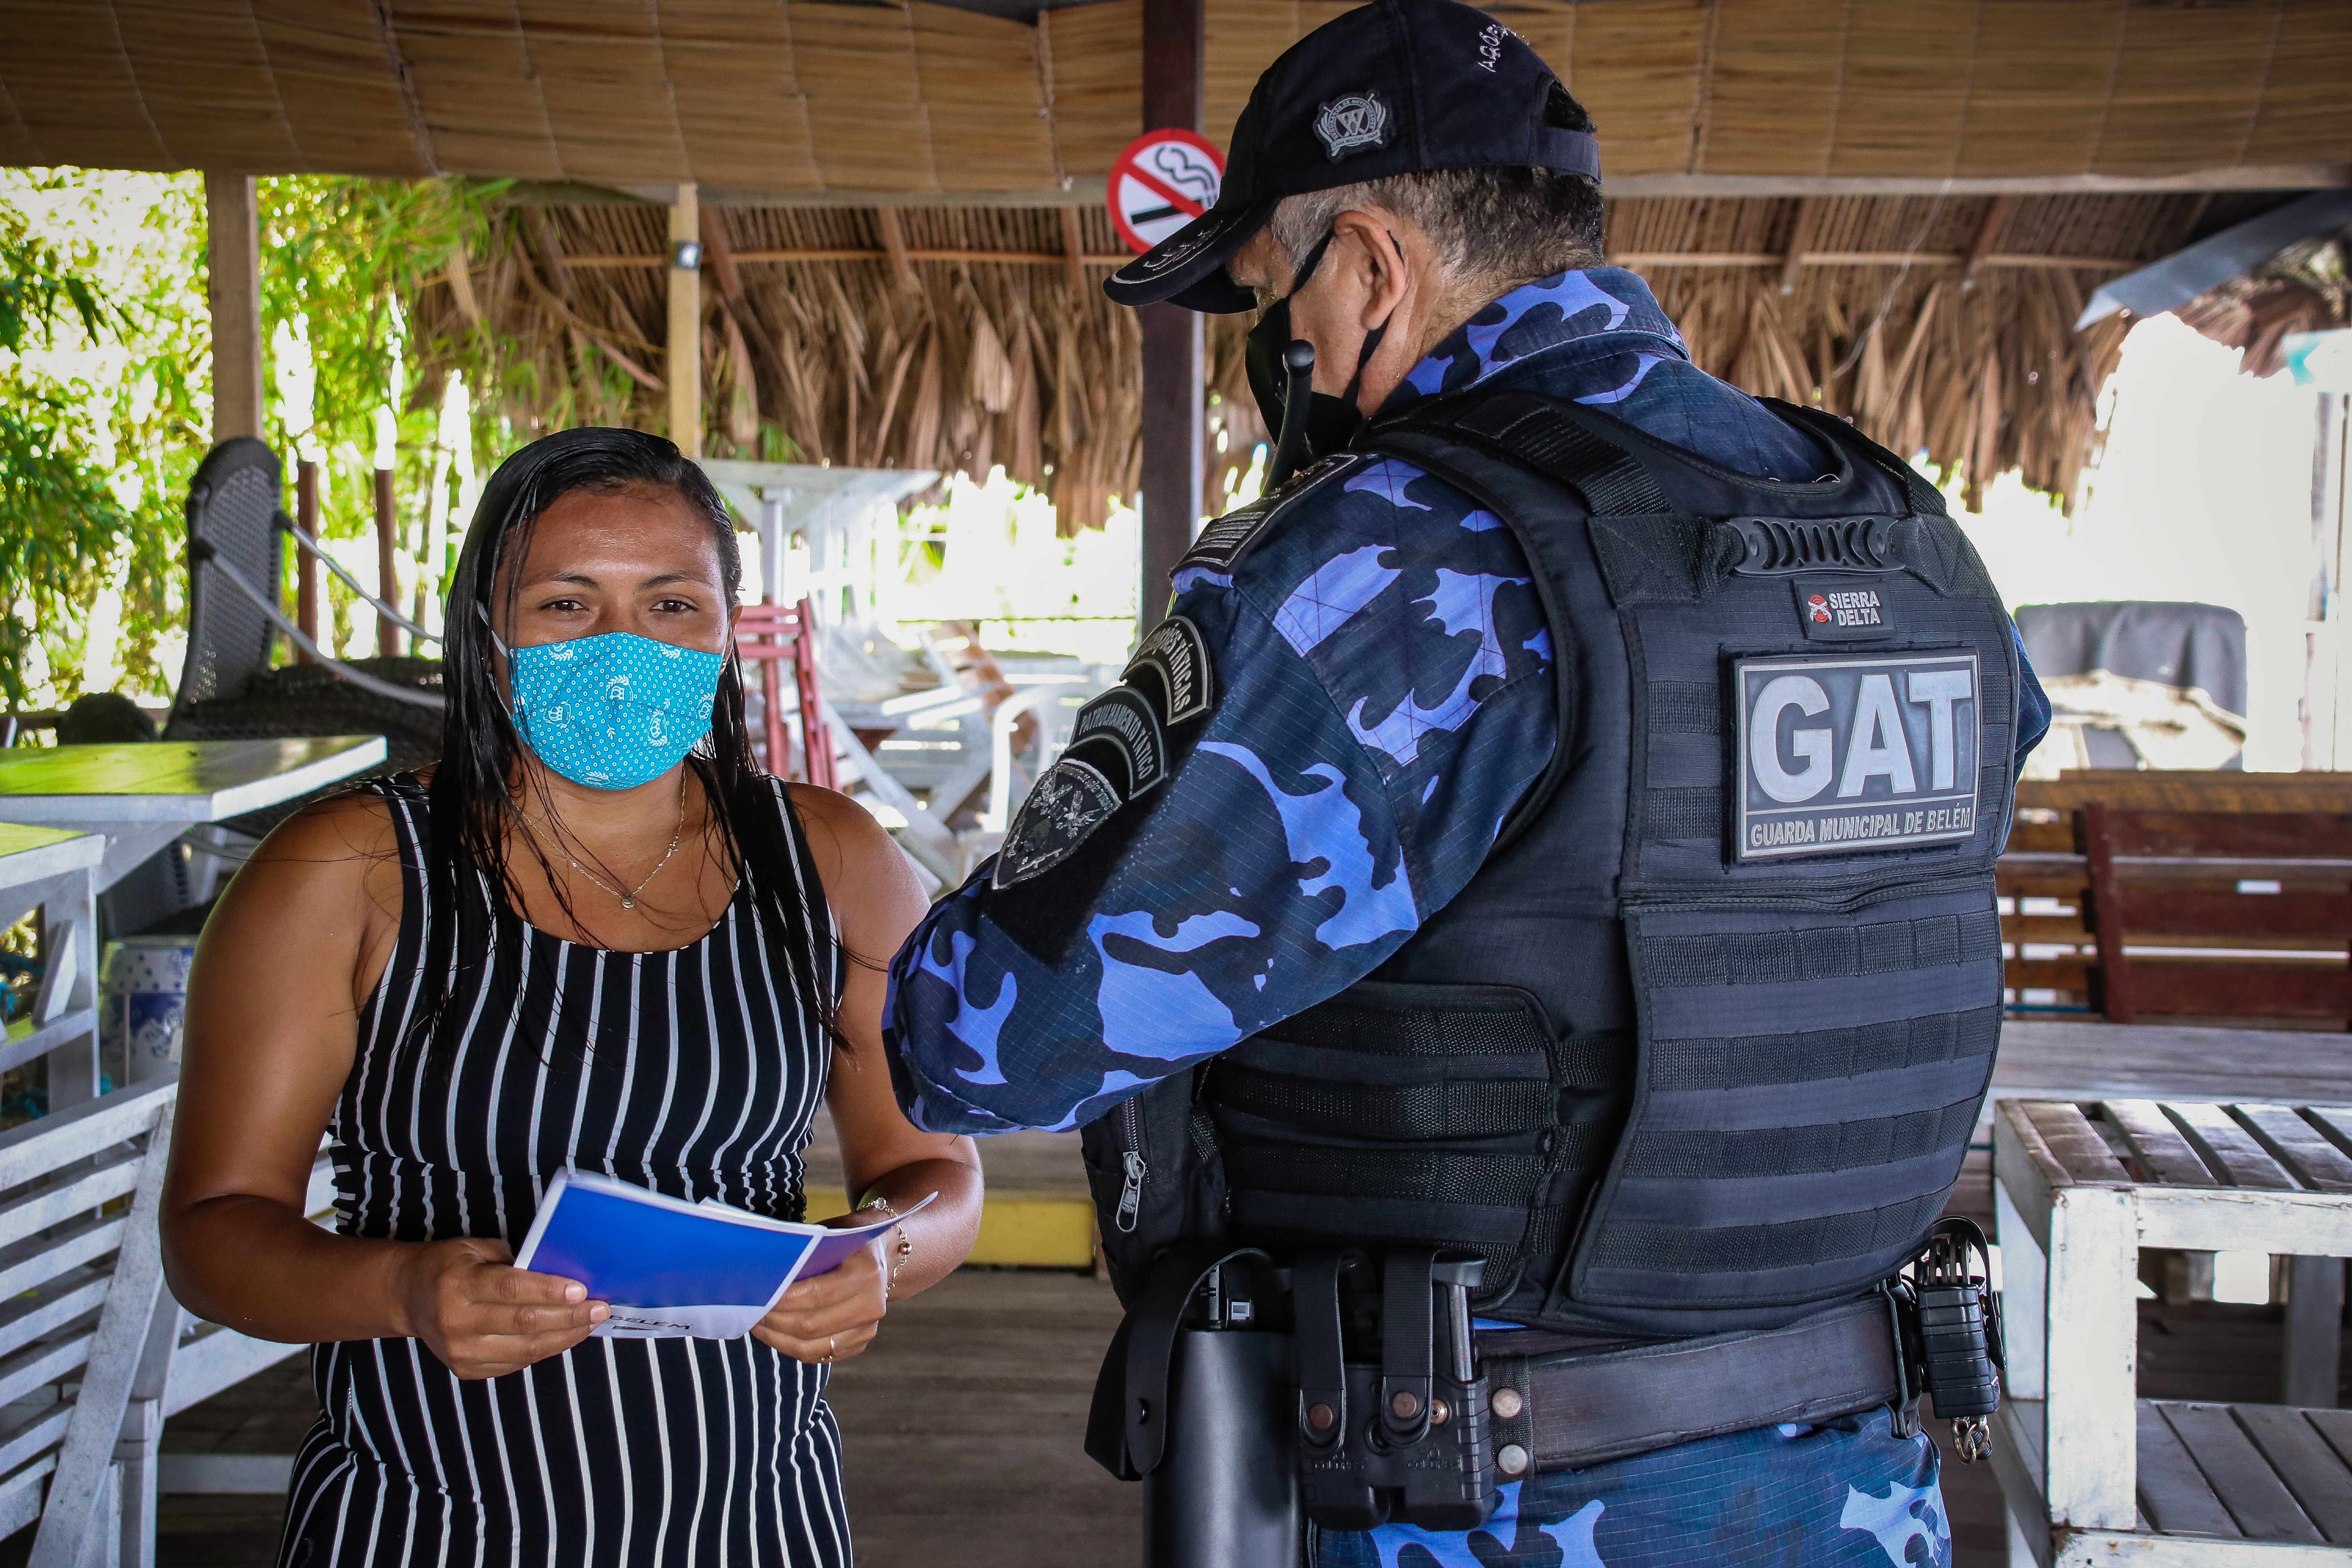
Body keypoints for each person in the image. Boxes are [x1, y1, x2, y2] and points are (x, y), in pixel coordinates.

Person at [885, 2, 2050, 1563]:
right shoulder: (1898, 529)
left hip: (1492, 1500)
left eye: (1272, 305)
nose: (1283, 358)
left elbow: (991, 1041)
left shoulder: (1392, 558)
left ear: (1371, 263)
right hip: (1866, 1483)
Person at [162, 428, 982, 1566]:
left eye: (671, 606)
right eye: (565, 605)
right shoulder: (345, 873)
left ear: (725, 631)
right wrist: (402, 1290)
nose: (621, 648)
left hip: (758, 1525)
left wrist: (877, 1256)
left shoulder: (831, 862)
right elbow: (211, 1235)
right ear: (488, 630)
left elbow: (939, 1178)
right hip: (428, 1527)